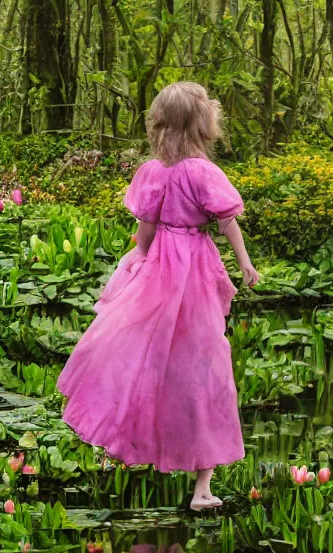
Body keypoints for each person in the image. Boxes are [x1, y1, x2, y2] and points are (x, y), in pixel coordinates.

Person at [57, 81, 259, 510]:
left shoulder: (152, 171)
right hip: (193, 272)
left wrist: (136, 267)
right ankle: (200, 485)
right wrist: (243, 262)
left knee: (148, 358)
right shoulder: (203, 172)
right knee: (204, 366)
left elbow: (145, 236)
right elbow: (225, 222)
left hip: (162, 268)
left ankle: (140, 447)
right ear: (201, 124)